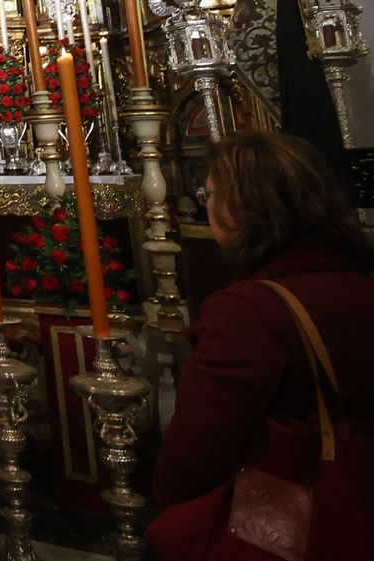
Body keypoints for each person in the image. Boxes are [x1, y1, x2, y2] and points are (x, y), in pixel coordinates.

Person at [148, 131, 374, 560]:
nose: (206, 203)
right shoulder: (358, 279)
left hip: (294, 520)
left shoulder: (249, 312)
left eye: (210, 192)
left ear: (243, 208)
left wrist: (170, 497)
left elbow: (196, 453)